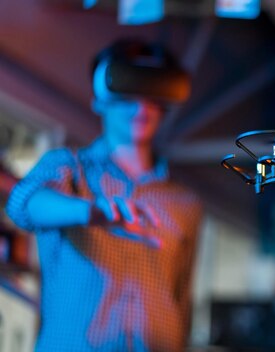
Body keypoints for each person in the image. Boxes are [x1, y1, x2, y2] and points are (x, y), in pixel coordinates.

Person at [6, 39, 203, 351]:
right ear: (99, 100)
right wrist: (89, 211)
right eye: (128, 93)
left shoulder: (186, 204)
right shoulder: (68, 168)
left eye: (152, 94)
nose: (141, 106)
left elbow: (183, 296)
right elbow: (24, 204)